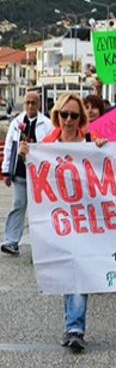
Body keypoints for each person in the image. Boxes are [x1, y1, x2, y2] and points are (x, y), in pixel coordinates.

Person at [19, 93, 106, 351]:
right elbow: (36, 171)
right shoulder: (47, 143)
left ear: (81, 117)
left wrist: (103, 148)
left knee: (80, 269)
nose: (69, 120)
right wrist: (27, 154)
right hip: (57, 219)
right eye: (65, 114)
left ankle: (75, 328)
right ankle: (72, 324)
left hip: (85, 218)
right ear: (57, 115)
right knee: (67, 271)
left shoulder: (91, 142)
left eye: (74, 115)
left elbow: (107, 167)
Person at [1, 92, 53, 256]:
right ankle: (11, 241)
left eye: (33, 103)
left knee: (42, 210)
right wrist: (6, 171)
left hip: (40, 176)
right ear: (24, 104)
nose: (30, 106)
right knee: (18, 205)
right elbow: (9, 147)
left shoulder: (47, 124)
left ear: (39, 105)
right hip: (20, 173)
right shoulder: (16, 123)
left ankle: (45, 244)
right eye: (27, 103)